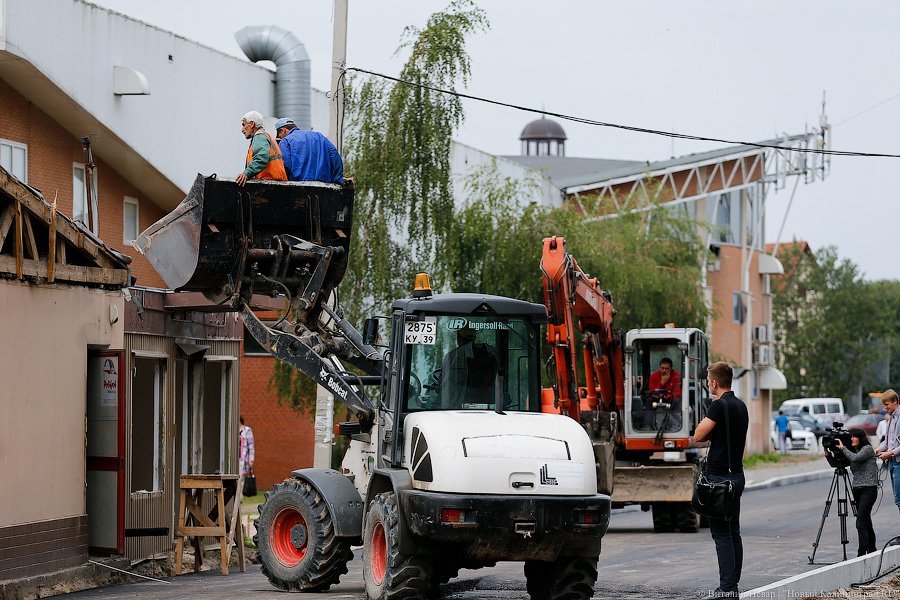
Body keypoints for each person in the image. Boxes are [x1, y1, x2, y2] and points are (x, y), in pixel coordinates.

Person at [692, 362, 748, 599]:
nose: (707, 384)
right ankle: (733, 582)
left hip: (718, 479)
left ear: (714, 382)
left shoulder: (717, 407)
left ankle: (727, 588)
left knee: (721, 534)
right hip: (736, 474)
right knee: (733, 530)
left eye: (708, 380)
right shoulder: (741, 406)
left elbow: (698, 435)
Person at [834, 428, 878, 556]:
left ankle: (861, 554)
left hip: (869, 489)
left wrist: (843, 448)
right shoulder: (853, 451)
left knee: (860, 522)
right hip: (857, 489)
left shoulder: (867, 449)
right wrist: (828, 454)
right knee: (866, 520)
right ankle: (872, 549)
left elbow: (856, 458)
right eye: (851, 437)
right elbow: (838, 464)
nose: (852, 439)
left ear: (860, 438)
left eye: (854, 436)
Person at [437, 326, 498, 409]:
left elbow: (442, 386)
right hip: (490, 407)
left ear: (459, 337)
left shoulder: (452, 356)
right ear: (474, 337)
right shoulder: (493, 353)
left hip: (455, 410)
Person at [274, 117, 344, 184]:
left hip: (299, 186)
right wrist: (337, 179)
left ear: (283, 130)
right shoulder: (319, 136)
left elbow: (286, 164)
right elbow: (335, 156)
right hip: (324, 184)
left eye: (279, 135)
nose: (280, 137)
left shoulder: (285, 141)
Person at [236, 111, 287, 187]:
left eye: (244, 125)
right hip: (275, 183)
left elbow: (261, 158)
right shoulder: (265, 135)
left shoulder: (260, 136)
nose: (242, 130)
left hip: (270, 184)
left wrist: (246, 173)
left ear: (252, 124)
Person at [876, 389, 900, 515]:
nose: (885, 408)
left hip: (898, 463)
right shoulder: (891, 418)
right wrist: (879, 449)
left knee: (899, 500)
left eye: (887, 404)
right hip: (892, 462)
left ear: (895, 402)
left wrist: (889, 454)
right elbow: (887, 441)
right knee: (898, 500)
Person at [644, 357, 683, 429]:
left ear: (671, 369)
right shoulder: (654, 376)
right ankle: (648, 426)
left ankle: (677, 425)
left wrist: (667, 396)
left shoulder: (677, 376)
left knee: (677, 401)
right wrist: (662, 382)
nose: (664, 370)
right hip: (656, 398)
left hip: (671, 399)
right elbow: (652, 392)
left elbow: (678, 393)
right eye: (662, 368)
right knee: (649, 401)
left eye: (667, 368)